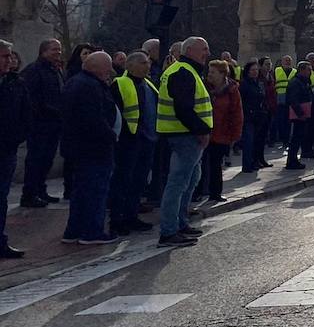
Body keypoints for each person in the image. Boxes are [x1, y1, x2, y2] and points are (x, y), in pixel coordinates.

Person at [157, 36, 213, 248]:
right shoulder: (183, 72)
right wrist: (200, 130)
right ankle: (169, 230)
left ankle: (179, 223)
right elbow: (183, 108)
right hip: (184, 135)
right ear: (189, 50)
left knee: (189, 181)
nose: (206, 53)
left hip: (185, 135)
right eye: (203, 49)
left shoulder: (186, 71)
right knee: (178, 183)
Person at [60, 51, 119, 244]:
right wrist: (111, 135)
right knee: (95, 190)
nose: (110, 71)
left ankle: (74, 230)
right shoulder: (89, 86)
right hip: (94, 148)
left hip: (80, 146)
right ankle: (92, 231)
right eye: (107, 66)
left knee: (81, 190)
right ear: (98, 68)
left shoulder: (76, 82)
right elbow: (93, 119)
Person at [110, 51, 158, 235]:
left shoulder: (148, 84)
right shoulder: (120, 84)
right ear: (131, 66)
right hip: (128, 141)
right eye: (144, 62)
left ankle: (131, 216)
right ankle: (117, 219)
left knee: (138, 182)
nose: (148, 66)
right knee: (123, 181)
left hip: (147, 140)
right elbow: (115, 113)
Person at [19, 38, 64, 207]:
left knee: (47, 159)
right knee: (36, 159)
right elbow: (31, 98)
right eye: (54, 50)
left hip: (54, 123)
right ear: (43, 51)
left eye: (59, 50)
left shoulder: (55, 70)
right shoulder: (34, 70)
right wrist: (50, 110)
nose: (58, 53)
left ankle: (40, 190)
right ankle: (29, 194)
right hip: (40, 124)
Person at [0, 40, 30, 257]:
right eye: (4, 56)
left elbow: (25, 113)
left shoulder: (15, 83)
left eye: (10, 56)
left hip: (7, 148)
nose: (9, 60)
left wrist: (18, 136)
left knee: (2, 197)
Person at [196, 60, 242, 202]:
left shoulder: (232, 90)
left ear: (223, 74)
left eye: (213, 72)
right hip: (204, 131)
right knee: (200, 163)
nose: (209, 75)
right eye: (209, 72)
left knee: (216, 164)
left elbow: (237, 112)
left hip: (222, 132)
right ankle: (198, 192)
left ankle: (215, 193)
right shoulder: (203, 87)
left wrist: (235, 134)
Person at [238, 61, 269, 173]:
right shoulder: (244, 84)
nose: (255, 72)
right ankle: (247, 165)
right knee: (248, 141)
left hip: (258, 115)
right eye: (253, 70)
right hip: (248, 116)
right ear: (247, 71)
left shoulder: (258, 83)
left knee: (256, 140)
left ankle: (254, 161)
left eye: (256, 70)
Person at [285, 61, 314, 170]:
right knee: (296, 138)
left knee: (299, 137)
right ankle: (291, 160)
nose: (310, 72)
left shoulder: (304, 81)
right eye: (308, 70)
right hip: (299, 115)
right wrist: (300, 113)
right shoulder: (296, 82)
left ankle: (294, 159)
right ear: (301, 70)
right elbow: (293, 99)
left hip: (305, 112)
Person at [273, 55, 296, 145]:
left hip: (291, 99)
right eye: (286, 60)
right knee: (279, 120)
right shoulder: (277, 70)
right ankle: (280, 138)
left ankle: (286, 140)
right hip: (279, 98)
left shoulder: (295, 71)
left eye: (289, 60)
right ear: (282, 62)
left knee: (288, 121)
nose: (288, 62)